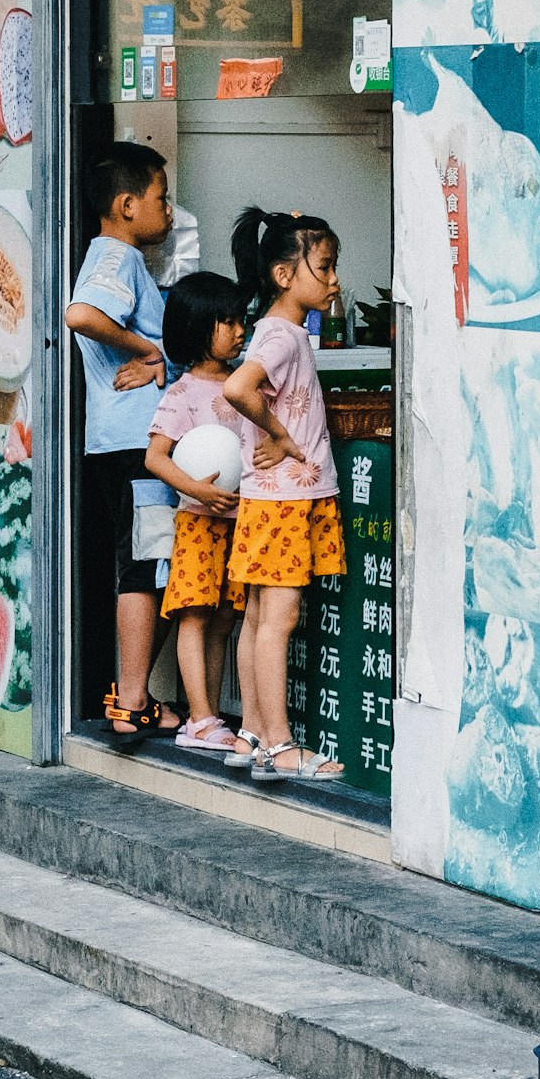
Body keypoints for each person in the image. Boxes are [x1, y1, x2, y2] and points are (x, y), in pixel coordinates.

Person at [222, 207, 347, 782]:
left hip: (269, 499)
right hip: (284, 501)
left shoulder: (281, 331)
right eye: (323, 268)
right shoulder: (281, 335)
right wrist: (280, 435)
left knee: (257, 618)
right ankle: (279, 745)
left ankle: (252, 733)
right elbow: (238, 387)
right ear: (283, 274)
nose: (334, 280)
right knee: (278, 620)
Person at [64, 143, 181, 745]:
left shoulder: (120, 257)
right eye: (162, 197)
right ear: (127, 205)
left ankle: (135, 695)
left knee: (155, 562)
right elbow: (80, 314)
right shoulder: (117, 256)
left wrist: (153, 354)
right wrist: (146, 350)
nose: (169, 208)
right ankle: (132, 699)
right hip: (136, 442)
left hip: (127, 440)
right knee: (145, 563)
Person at [143, 272, 247, 756]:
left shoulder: (244, 385)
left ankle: (208, 715)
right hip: (199, 523)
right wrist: (197, 492)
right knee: (195, 615)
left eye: (240, 319)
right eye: (227, 321)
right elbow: (156, 457)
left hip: (239, 521)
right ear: (197, 327)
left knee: (225, 619)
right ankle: (201, 718)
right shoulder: (183, 393)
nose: (239, 329)